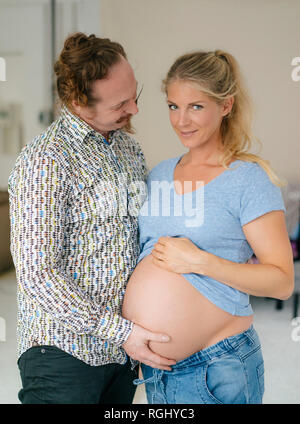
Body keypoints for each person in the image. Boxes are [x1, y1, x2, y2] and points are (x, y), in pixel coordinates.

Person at [8, 32, 175, 405]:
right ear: (78, 103)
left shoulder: (129, 148)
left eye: (136, 95)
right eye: (120, 103)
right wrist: (119, 331)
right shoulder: (45, 161)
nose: (134, 109)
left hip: (121, 354)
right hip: (64, 355)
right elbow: (38, 275)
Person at [122, 49, 294, 404]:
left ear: (226, 106)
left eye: (196, 107)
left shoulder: (248, 179)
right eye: (173, 106)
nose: (182, 120)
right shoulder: (158, 174)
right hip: (156, 372)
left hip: (217, 365)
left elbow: (281, 282)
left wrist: (199, 262)